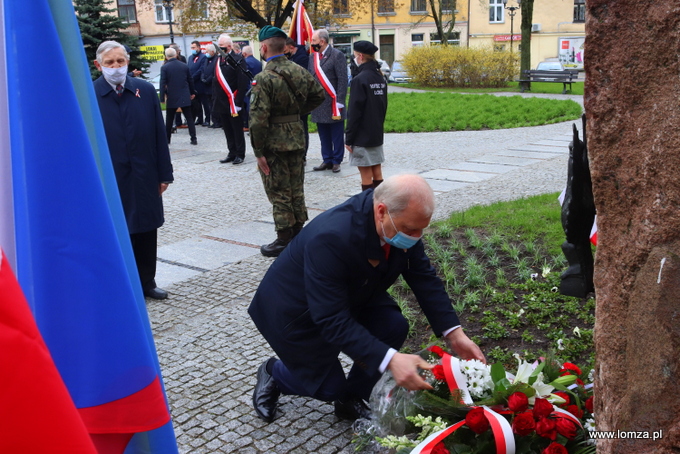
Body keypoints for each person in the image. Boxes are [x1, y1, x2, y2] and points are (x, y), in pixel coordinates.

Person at [249, 174, 485, 423]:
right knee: (328, 388)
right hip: (298, 311)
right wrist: (391, 360)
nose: (416, 237)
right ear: (382, 211)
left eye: (421, 229)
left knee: (392, 326)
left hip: (353, 292)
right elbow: (331, 318)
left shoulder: (399, 220)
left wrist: (455, 334)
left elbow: (423, 278)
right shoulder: (331, 237)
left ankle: (350, 399)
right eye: (410, 230)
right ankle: (274, 372)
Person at [92, 41, 173, 300]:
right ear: (98, 65)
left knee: (147, 228)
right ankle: (121, 284)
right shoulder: (89, 95)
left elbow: (160, 135)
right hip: (111, 177)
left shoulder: (146, 90)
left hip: (145, 172)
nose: (116, 67)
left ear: (128, 62)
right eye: (109, 63)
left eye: (120, 61)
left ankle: (147, 282)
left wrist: (164, 173)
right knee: (117, 230)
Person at [249, 26, 325, 257]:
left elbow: (258, 119)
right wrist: (296, 113)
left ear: (263, 47)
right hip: (296, 135)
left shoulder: (264, 78)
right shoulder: (299, 70)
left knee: (279, 189)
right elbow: (319, 95)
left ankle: (284, 238)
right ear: (284, 47)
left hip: (274, 143)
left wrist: (258, 150)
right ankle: (299, 231)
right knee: (296, 186)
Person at [345, 41, 388, 191]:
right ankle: (381, 203)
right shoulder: (379, 77)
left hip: (361, 136)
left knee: (366, 175)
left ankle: (369, 207)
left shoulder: (360, 79)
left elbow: (354, 112)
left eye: (355, 55)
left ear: (360, 56)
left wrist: (349, 138)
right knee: (377, 172)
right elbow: (383, 106)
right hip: (376, 131)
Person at [309, 29, 348, 173]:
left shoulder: (337, 55)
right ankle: (327, 159)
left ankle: (337, 160)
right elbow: (310, 79)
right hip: (319, 103)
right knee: (323, 134)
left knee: (336, 133)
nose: (311, 43)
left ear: (322, 41)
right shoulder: (313, 57)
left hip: (333, 103)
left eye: (314, 41)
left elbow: (342, 79)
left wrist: (340, 100)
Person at [213, 33, 250, 165]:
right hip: (222, 102)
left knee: (236, 129)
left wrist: (239, 101)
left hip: (234, 101)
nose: (219, 48)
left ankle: (240, 154)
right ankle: (231, 152)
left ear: (229, 46)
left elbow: (242, 81)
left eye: (222, 46)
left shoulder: (237, 59)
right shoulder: (218, 60)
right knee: (227, 129)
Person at [160, 47, 197, 145]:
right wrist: (192, 92)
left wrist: (162, 97)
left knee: (169, 119)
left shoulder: (165, 67)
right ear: (176, 55)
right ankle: (193, 138)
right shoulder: (184, 66)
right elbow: (190, 80)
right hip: (184, 94)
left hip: (172, 95)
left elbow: (162, 83)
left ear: (166, 57)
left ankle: (167, 139)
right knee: (189, 118)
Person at [285, 37, 311, 160]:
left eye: (285, 49)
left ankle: (302, 155)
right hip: (290, 99)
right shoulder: (290, 57)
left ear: (291, 47)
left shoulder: (302, 58)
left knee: (302, 127)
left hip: (301, 99)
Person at [241, 45, 262, 132]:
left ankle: (248, 126)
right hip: (257, 86)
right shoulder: (258, 62)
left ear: (244, 53)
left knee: (248, 108)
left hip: (248, 88)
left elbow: (244, 76)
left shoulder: (245, 62)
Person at [188, 40, 208, 126]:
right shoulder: (190, 58)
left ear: (198, 48)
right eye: (191, 47)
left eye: (194, 47)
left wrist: (192, 77)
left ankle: (208, 118)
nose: (192, 49)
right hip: (193, 84)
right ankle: (199, 118)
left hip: (200, 83)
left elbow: (201, 69)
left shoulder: (203, 57)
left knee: (205, 103)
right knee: (197, 103)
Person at [201, 44, 221, 129]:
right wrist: (202, 77)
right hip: (206, 86)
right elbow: (202, 69)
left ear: (212, 52)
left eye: (207, 51)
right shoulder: (206, 59)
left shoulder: (217, 59)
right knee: (209, 104)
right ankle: (213, 120)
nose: (206, 53)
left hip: (213, 85)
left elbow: (215, 72)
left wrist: (208, 79)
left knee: (215, 104)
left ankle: (218, 121)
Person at [170, 44, 187, 129]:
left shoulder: (182, 58)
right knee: (174, 106)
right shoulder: (167, 61)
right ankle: (176, 122)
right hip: (172, 86)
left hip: (181, 84)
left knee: (183, 104)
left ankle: (182, 121)